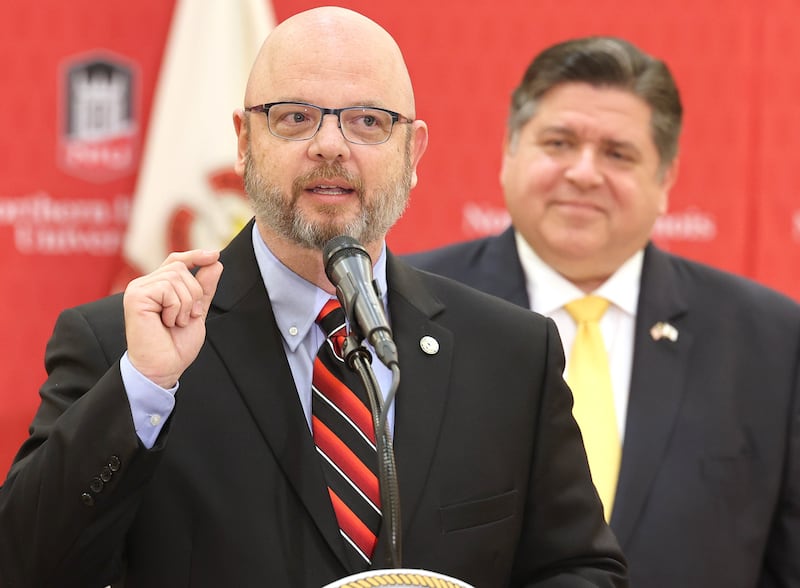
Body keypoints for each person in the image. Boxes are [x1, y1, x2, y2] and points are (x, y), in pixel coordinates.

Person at [0, 9, 628, 588]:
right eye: (296, 116)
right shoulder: (125, 347)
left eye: (367, 121)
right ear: (245, 142)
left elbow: (581, 568)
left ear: (414, 152)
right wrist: (144, 385)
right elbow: (27, 565)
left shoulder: (510, 351)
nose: (331, 145)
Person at [405, 35, 800, 588]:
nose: (584, 173)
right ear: (508, 154)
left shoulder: (772, 341)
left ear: (665, 180)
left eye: (617, 153)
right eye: (559, 142)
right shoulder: (403, 308)